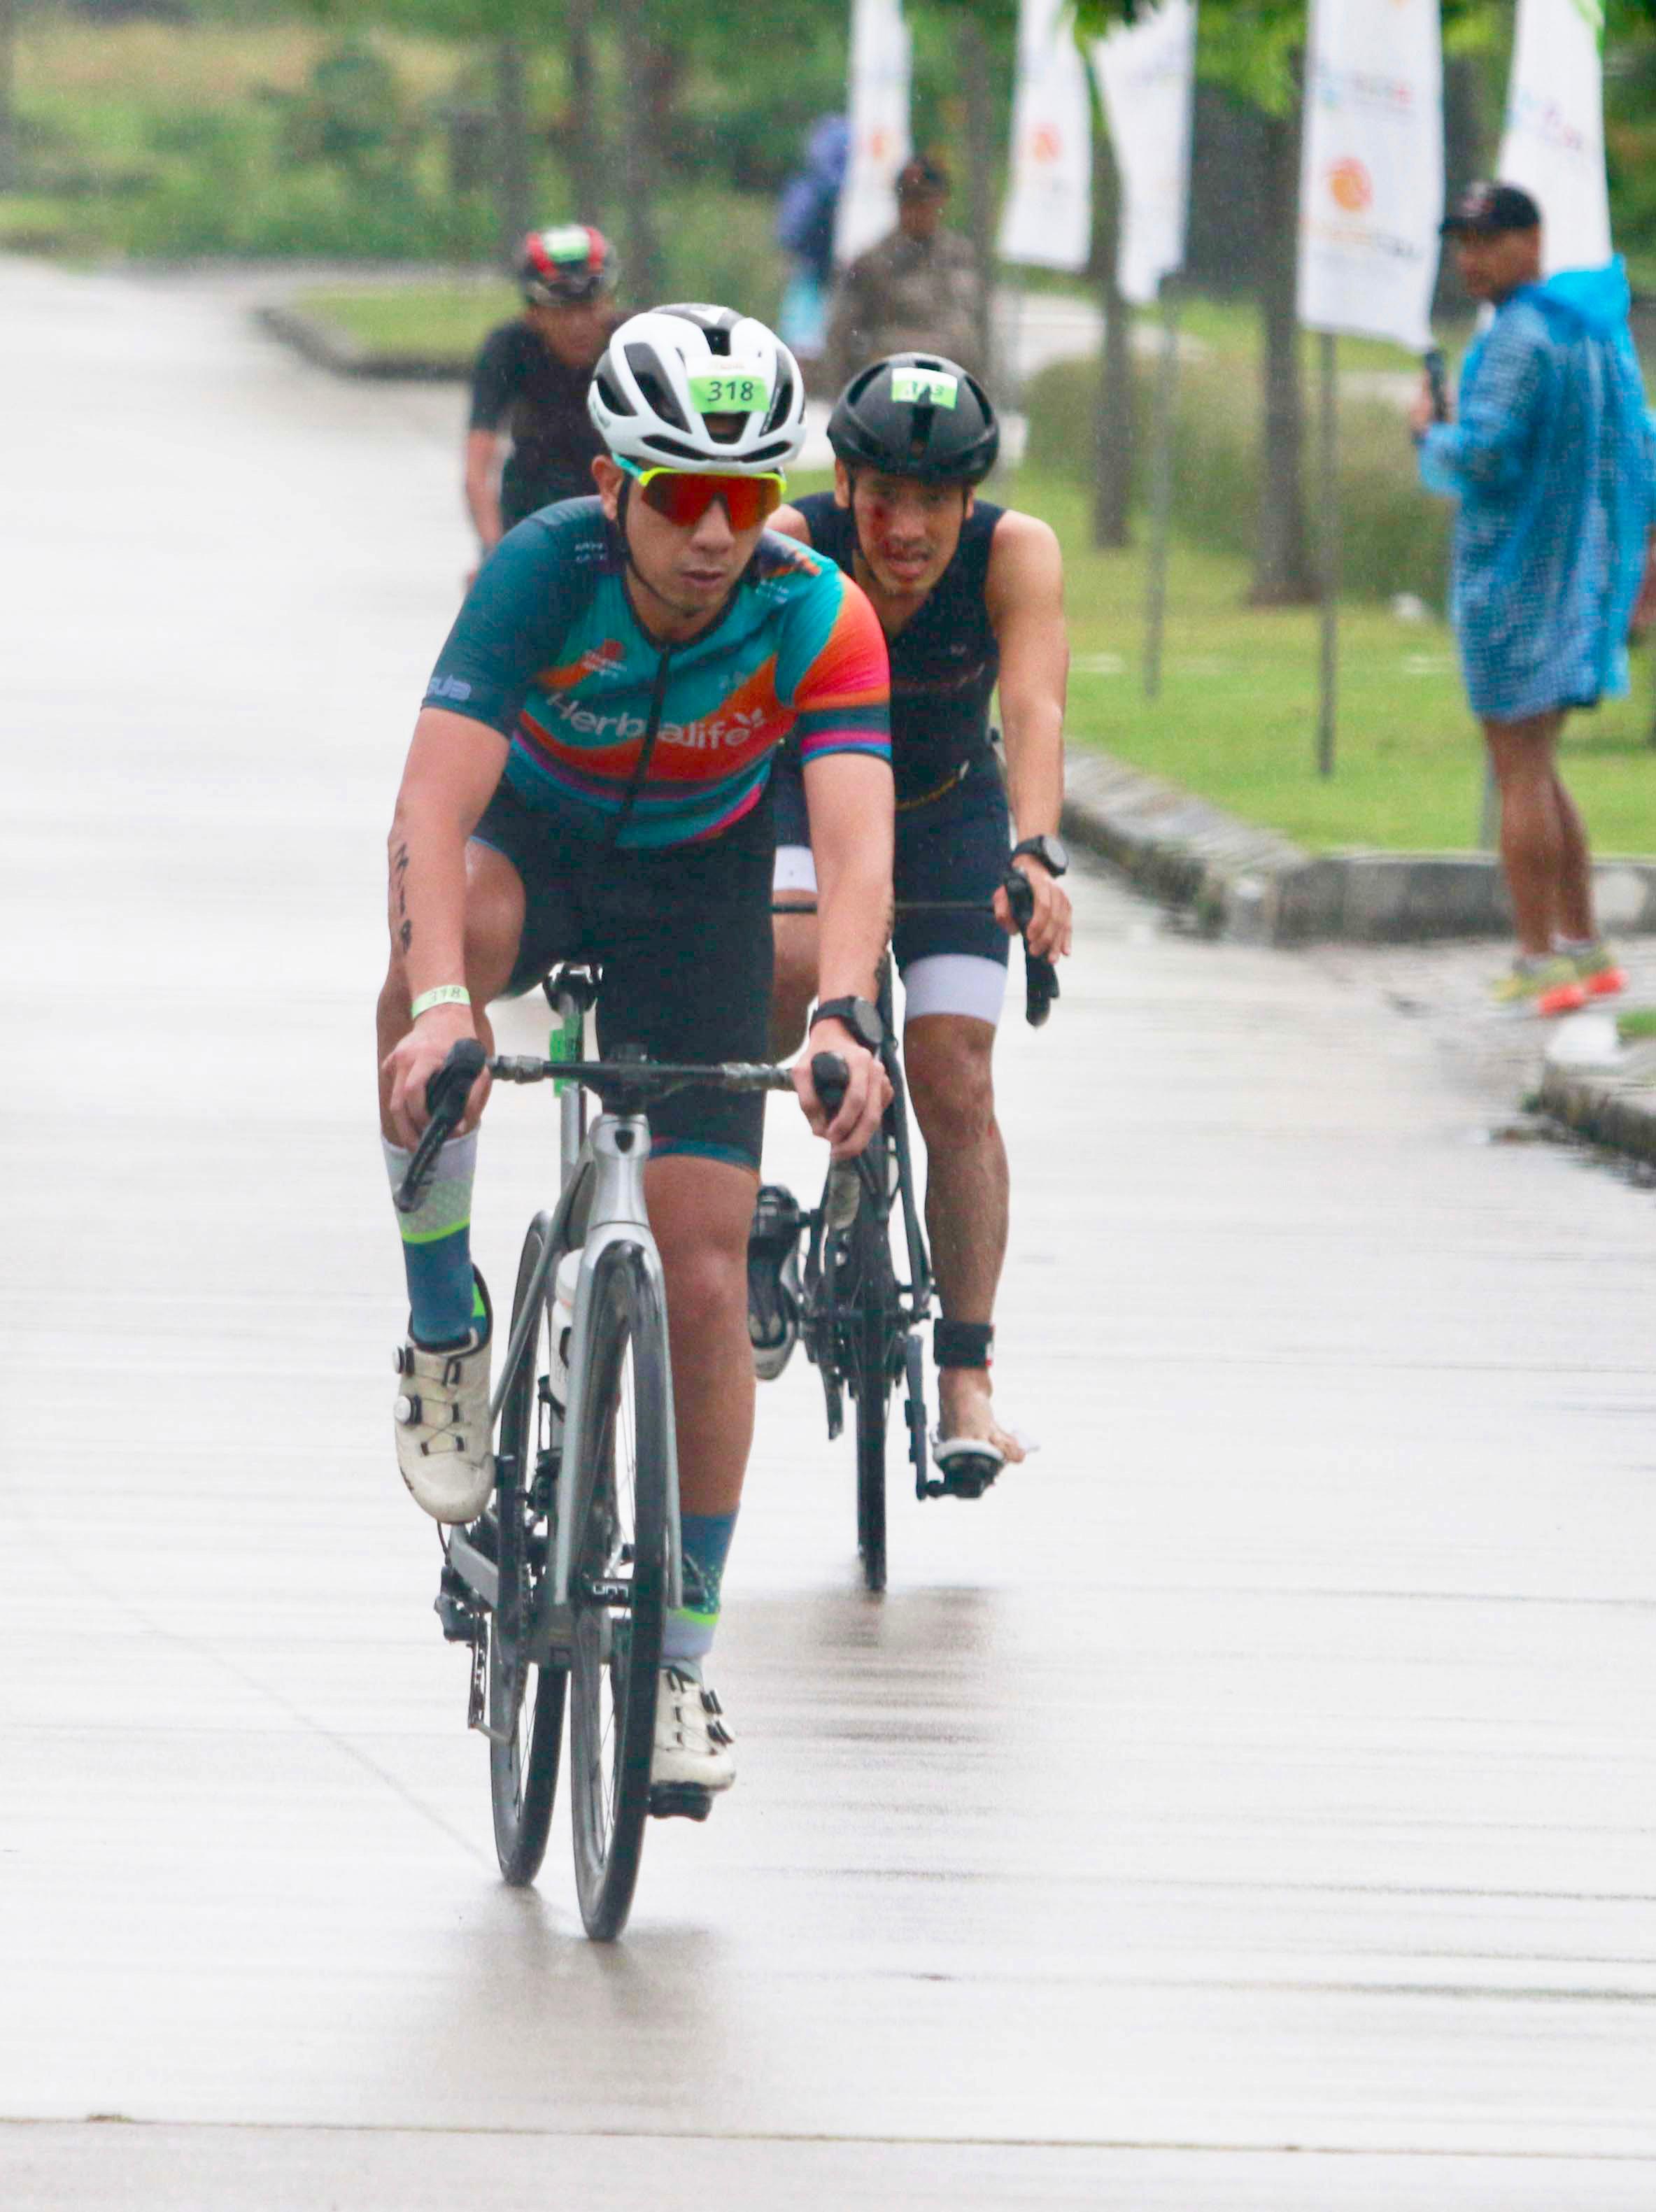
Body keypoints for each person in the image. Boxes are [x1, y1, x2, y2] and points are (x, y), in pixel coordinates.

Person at [380, 306, 895, 1802]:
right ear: (613, 483)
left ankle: (674, 1664)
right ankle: (442, 1340)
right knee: (431, 964)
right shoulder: (542, 572)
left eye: (747, 497)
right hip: (528, 852)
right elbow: (429, 807)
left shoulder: (815, 609)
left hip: (697, 892)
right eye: (681, 496)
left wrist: (844, 1011)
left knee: (711, 1272)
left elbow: (855, 847)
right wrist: (437, 1008)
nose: (716, 533)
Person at [753, 353, 1070, 1490]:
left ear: (970, 499)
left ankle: (966, 1380)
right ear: (843, 481)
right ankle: (746, 1213)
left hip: (944, 810)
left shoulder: (1014, 553)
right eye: (885, 496)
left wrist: (1032, 852)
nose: (909, 526)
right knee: (789, 962)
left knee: (956, 1074)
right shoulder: (788, 546)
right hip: (808, 799)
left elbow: (1032, 708)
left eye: (939, 500)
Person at [1412, 181, 1656, 1015]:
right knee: (1541, 770)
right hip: (1572, 580)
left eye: (1485, 241)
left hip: (1512, 585)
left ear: (1531, 241)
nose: (1469, 260)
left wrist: (1428, 435)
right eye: (1461, 243)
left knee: (1517, 771)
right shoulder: (1584, 329)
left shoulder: (1518, 339)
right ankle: (1585, 946)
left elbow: (1482, 456)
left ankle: (1537, 953)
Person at [464, 225, 619, 560]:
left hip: (616, 513)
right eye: (563, 310)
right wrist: (492, 554)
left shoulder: (634, 344)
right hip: (531, 514)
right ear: (532, 313)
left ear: (609, 303)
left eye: (589, 307)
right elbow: (477, 468)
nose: (578, 324)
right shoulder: (507, 348)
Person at [824, 157, 986, 395]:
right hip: (892, 398)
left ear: (941, 201)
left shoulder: (962, 258)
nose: (917, 211)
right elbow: (840, 337)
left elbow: (980, 330)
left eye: (925, 201)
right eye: (909, 201)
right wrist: (846, 398)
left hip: (956, 394)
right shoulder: (873, 263)